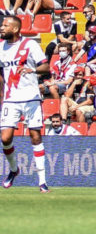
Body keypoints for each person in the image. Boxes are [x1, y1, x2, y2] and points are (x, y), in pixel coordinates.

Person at [0, 16, 50, 192]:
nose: (1, 27)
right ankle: (14, 170)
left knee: (35, 136)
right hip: (10, 99)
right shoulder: (1, 47)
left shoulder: (30, 45)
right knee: (5, 138)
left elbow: (46, 67)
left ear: (15, 29)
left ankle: (42, 182)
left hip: (31, 97)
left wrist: (32, 70)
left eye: (5, 25)